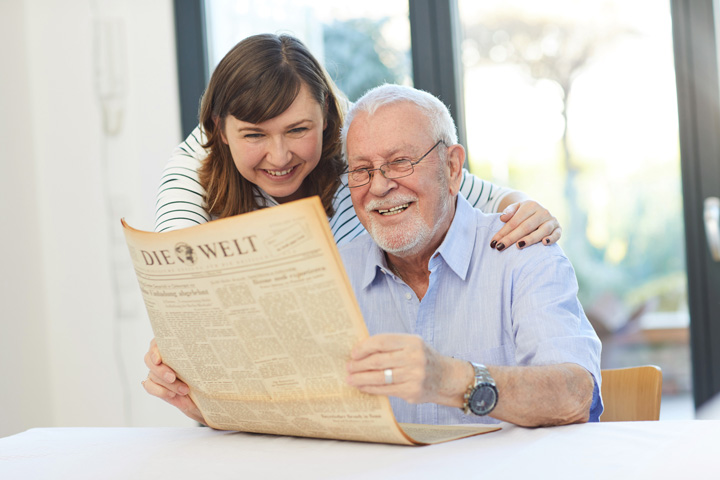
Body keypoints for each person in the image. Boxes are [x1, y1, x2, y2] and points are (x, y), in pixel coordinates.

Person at [142, 33, 566, 421]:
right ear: (221, 131)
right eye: (255, 135)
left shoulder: (356, 146)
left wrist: (525, 208)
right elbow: (181, 299)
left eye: (298, 130)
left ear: (326, 119)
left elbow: (452, 183)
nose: (279, 155)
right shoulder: (190, 176)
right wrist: (192, 381)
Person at [338, 84, 602, 426]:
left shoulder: (523, 253)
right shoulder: (334, 272)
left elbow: (574, 397)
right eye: (361, 170)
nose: (378, 186)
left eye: (400, 162)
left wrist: (450, 380)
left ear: (451, 167)